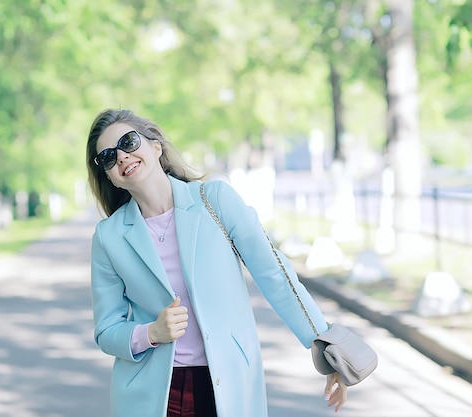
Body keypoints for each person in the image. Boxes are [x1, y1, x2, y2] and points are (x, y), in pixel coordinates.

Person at [86, 108, 347, 417]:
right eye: (108, 157)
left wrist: (326, 346)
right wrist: (151, 333)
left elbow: (274, 274)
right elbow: (107, 330)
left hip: (228, 381)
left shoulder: (216, 200)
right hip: (153, 394)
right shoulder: (109, 237)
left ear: (156, 146)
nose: (122, 157)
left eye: (129, 142)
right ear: (109, 177)